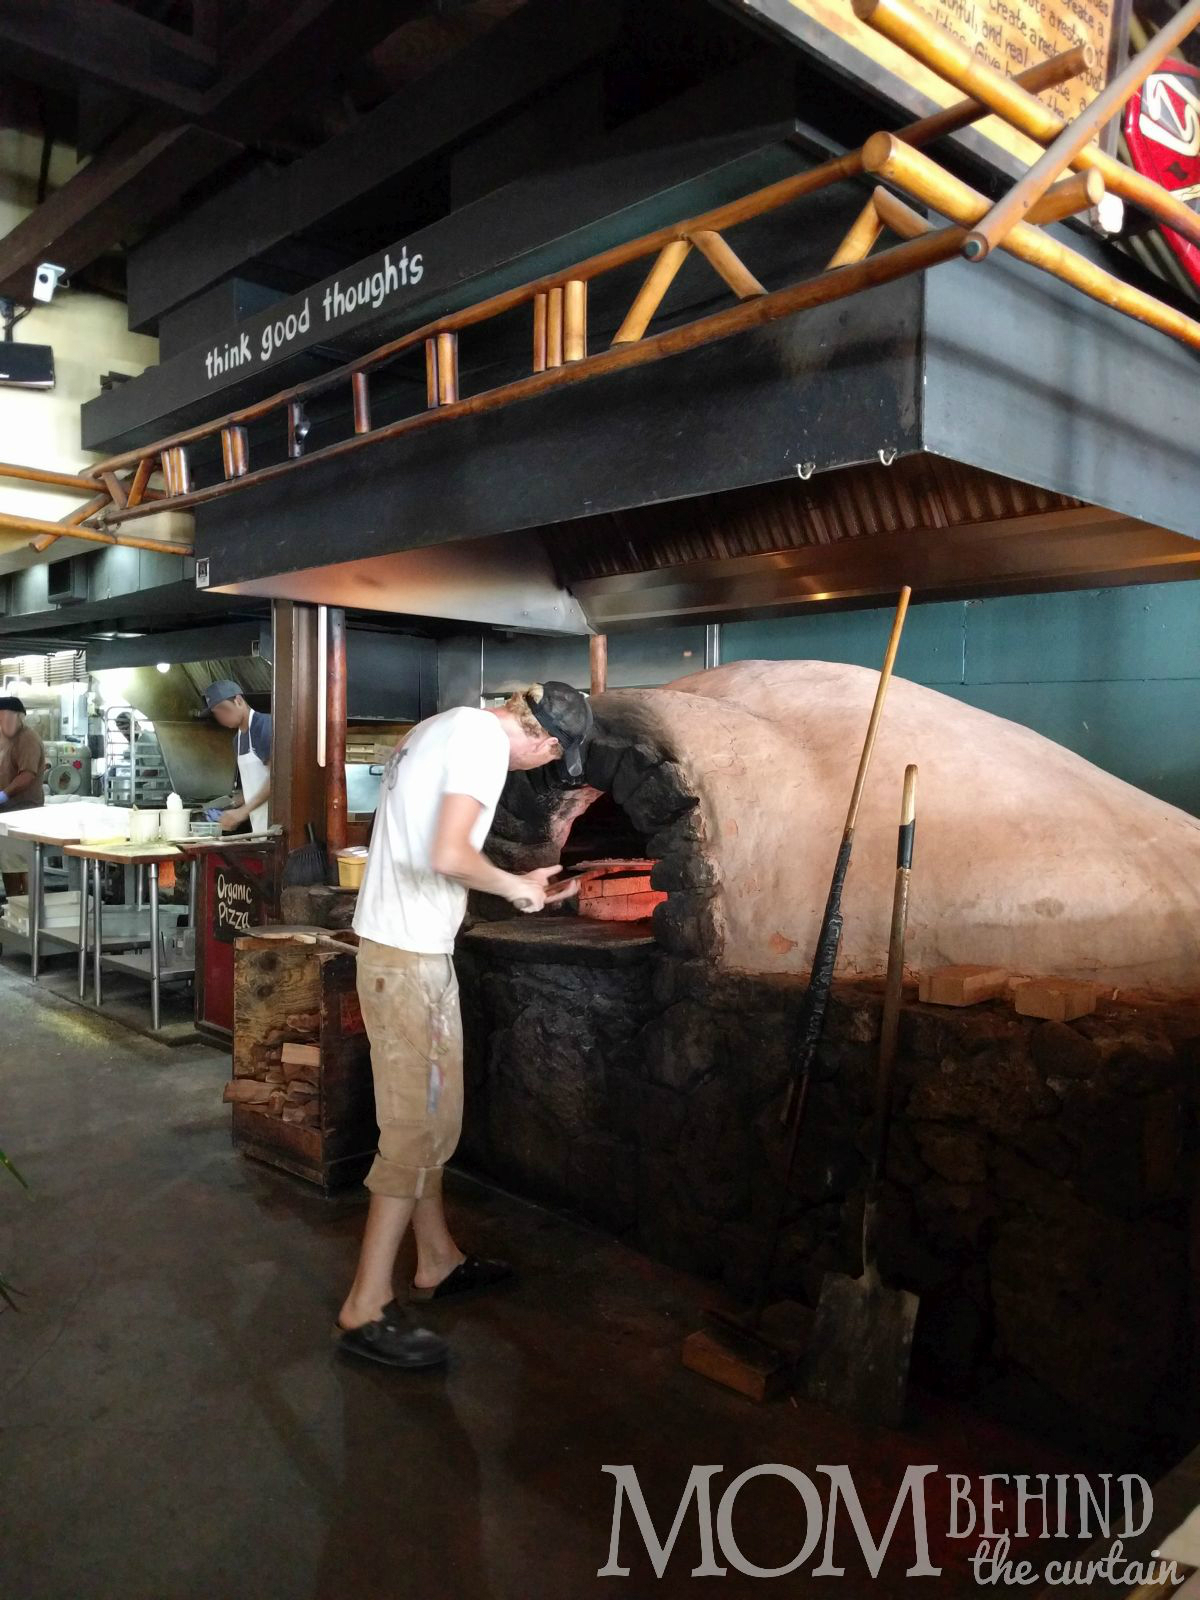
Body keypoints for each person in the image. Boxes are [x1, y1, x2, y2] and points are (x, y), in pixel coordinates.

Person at [337, 681, 592, 1369]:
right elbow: (449, 854)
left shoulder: (445, 723)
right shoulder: (482, 743)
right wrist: (519, 890)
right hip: (408, 959)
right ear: (544, 743)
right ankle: (365, 1305)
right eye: (546, 761)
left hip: (405, 950)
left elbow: (434, 847)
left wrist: (519, 875)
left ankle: (438, 1258)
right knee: (416, 1127)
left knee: (430, 1115)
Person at [202, 679, 271, 833]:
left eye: (223, 709)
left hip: (277, 825)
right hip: (259, 826)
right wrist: (231, 805)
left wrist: (242, 812)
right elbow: (254, 787)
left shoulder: (264, 726)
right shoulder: (237, 740)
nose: (221, 717)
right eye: (216, 713)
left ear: (238, 701)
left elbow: (278, 779)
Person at [0, 695, 45, 897]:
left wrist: (4, 795)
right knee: (9, 864)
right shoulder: (3, 739)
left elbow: (27, 775)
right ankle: (13, 911)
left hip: (24, 813)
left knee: (23, 865)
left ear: (18, 717)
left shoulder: (27, 738)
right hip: (6, 814)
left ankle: (29, 912)